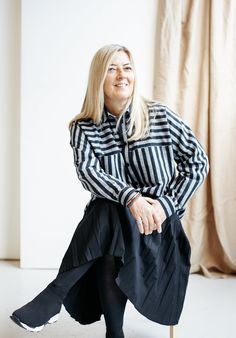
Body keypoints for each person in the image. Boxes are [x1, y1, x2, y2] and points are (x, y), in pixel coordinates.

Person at [10, 44, 209, 338]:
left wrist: (163, 206)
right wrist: (131, 198)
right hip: (108, 228)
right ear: (98, 79)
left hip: (155, 229)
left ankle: (55, 297)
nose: (121, 75)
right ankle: (111, 333)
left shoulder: (161, 117)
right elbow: (89, 173)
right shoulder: (83, 127)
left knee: (108, 212)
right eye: (112, 69)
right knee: (109, 208)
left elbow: (198, 162)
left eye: (127, 67)